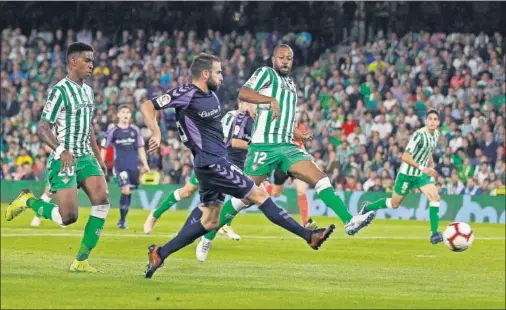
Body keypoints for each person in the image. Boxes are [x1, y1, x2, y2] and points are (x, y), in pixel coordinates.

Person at [140, 53, 335, 279]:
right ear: (205, 74)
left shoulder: (211, 95)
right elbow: (148, 105)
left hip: (210, 163)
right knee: (259, 195)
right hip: (212, 163)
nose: (222, 77)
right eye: (218, 72)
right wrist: (156, 131)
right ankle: (308, 236)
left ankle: (160, 253)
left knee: (210, 220)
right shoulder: (187, 93)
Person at [194, 45, 375, 262]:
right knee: (244, 198)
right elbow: (244, 93)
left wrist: (300, 134)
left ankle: (349, 220)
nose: (286, 61)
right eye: (281, 57)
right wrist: (269, 100)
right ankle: (208, 237)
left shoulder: (291, 85)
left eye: (289, 58)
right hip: (263, 146)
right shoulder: (266, 74)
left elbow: (286, 119)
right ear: (273, 59)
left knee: (319, 177)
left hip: (287, 146)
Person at [6, 42, 111, 272]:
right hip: (63, 157)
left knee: (102, 200)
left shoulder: (88, 90)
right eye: (87, 60)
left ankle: (81, 260)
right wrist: (61, 150)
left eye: (92, 60)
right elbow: (42, 128)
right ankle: (28, 201)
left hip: (85, 156)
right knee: (68, 217)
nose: (92, 65)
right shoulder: (59, 91)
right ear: (73, 62)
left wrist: (99, 157)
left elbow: (89, 126)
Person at [143, 100, 256, 241]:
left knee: (239, 194)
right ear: (239, 104)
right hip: (214, 160)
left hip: (235, 163)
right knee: (188, 191)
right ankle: (155, 215)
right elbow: (227, 140)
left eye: (250, 104)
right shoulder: (232, 116)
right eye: (245, 103)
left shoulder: (254, 122)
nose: (248, 107)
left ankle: (223, 225)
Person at [360, 109, 444, 244]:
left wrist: (431, 170)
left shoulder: (436, 135)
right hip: (406, 175)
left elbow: (428, 153)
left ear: (439, 122)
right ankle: (368, 207)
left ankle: (434, 233)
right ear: (426, 121)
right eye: (430, 119)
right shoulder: (419, 135)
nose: (432, 121)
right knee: (394, 204)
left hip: (421, 175)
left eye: (435, 119)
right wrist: (424, 168)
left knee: (435, 196)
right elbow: (405, 156)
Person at [101, 104, 150, 229]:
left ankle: (122, 219)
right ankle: (122, 221)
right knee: (126, 189)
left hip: (133, 166)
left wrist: (145, 164)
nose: (125, 115)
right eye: (123, 112)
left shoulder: (135, 130)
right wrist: (101, 164)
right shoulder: (113, 131)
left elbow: (140, 148)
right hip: (120, 166)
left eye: (128, 112)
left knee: (129, 192)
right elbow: (104, 147)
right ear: (118, 115)